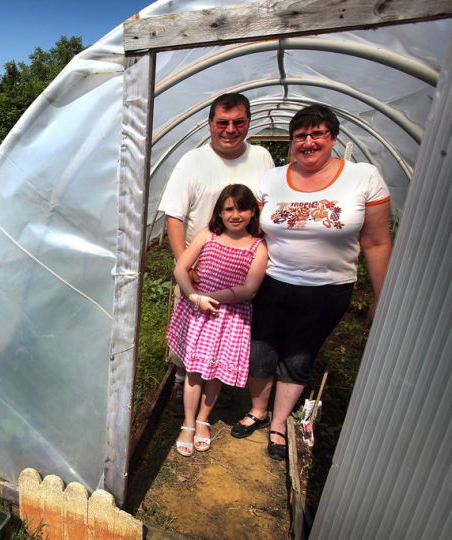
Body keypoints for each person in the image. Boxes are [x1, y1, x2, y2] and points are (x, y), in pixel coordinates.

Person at [230, 104, 392, 460]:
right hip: (272, 283)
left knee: (299, 357)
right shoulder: (272, 179)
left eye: (317, 133)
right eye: (300, 135)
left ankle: (279, 423)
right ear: (292, 142)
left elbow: (377, 241)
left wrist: (382, 297)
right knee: (260, 351)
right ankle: (258, 411)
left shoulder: (362, 177)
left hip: (329, 290)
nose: (308, 142)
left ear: (332, 137)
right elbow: (250, 231)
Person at [158, 93, 275, 413]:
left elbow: (266, 207)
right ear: (210, 124)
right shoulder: (193, 160)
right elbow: (174, 215)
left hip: (243, 264)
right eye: (222, 122)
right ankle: (183, 383)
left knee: (230, 330)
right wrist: (185, 261)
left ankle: (218, 384)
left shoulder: (261, 157)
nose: (230, 129)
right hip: (202, 265)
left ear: (248, 123)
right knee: (192, 327)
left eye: (238, 122)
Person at [168, 184, 268, 456]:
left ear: (252, 212)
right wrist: (193, 297)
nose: (235, 215)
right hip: (200, 313)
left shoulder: (258, 247)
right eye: (229, 209)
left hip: (231, 318)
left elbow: (250, 289)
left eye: (242, 208)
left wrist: (210, 296)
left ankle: (203, 419)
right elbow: (181, 268)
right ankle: (188, 423)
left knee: (215, 373)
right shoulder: (208, 235)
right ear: (220, 213)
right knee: (194, 371)